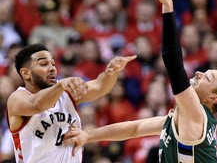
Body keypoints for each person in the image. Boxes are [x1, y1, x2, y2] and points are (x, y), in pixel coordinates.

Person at [63, 0, 217, 162]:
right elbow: (134, 128)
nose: (198, 73)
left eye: (208, 77)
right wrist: (88, 136)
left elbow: (173, 63)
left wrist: (167, 7)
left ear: (214, 99)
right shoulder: (181, 118)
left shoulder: (196, 114)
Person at [6, 43, 136, 163]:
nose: (52, 68)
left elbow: (99, 87)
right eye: (44, 64)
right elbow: (36, 105)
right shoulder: (17, 98)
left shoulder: (65, 92)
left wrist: (111, 72)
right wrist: (61, 85)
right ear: (26, 73)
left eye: (53, 63)